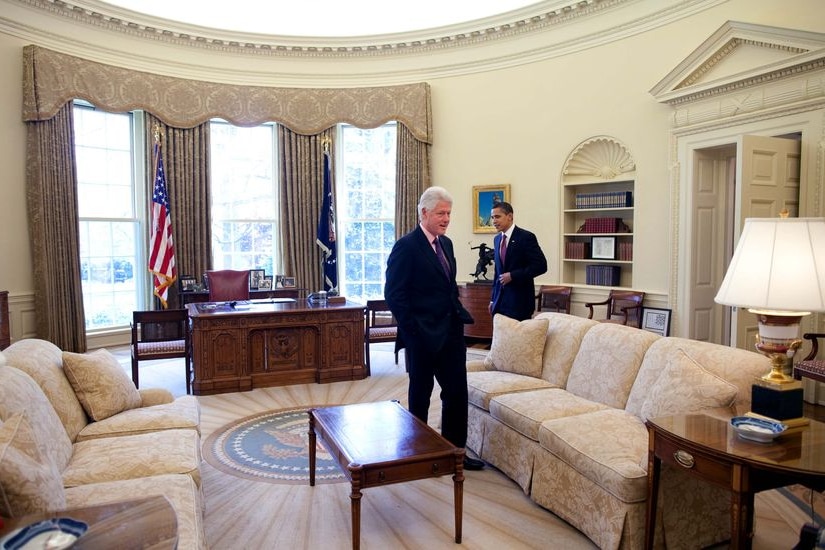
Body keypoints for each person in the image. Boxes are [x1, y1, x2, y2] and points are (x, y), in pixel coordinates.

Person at [384, 186, 484, 471]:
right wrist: (414, 333)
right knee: (420, 394)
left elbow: (448, 287)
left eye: (449, 213)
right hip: (422, 337)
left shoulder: (447, 244)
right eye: (441, 213)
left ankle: (455, 454)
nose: (446, 218)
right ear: (424, 212)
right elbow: (395, 295)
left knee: (456, 394)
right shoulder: (406, 246)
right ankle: (420, 453)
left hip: (451, 334)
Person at [489, 201, 548, 321]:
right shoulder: (497, 240)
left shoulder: (526, 237)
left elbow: (541, 265)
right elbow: (497, 273)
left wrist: (513, 275)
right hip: (500, 303)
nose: (494, 221)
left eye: (497, 217)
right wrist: (492, 299)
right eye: (492, 217)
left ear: (510, 216)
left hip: (519, 303)